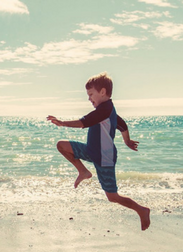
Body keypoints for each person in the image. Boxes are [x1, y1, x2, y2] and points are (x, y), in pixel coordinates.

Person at [47, 72, 151, 231]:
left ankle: (141, 210)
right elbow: (122, 125)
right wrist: (127, 141)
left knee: (113, 197)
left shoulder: (105, 109)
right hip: (91, 151)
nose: (89, 98)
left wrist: (62, 123)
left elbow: (85, 122)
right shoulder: (108, 110)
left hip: (104, 158)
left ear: (102, 92)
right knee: (61, 145)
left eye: (91, 94)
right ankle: (83, 171)